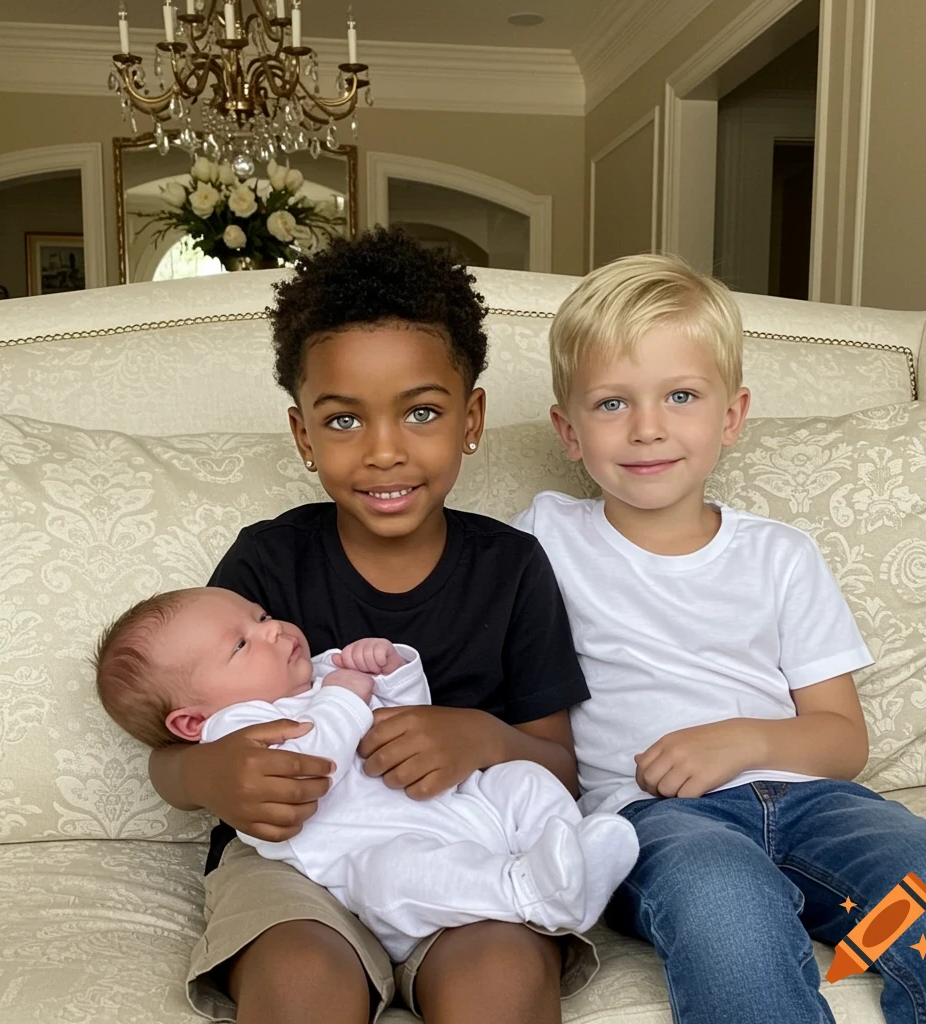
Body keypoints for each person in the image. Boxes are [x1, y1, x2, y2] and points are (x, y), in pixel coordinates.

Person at [146, 227, 602, 1024]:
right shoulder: (267, 563)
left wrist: (480, 737)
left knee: (501, 976)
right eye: (344, 421)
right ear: (304, 435)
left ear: (471, 418)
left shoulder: (512, 568)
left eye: (421, 412)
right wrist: (209, 776)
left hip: (465, 850)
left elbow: (559, 767)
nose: (384, 451)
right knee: (298, 979)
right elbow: (169, 755)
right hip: (296, 866)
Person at [513, 253, 926, 1024]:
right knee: (730, 907)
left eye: (681, 396)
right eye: (612, 403)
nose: (648, 427)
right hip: (655, 820)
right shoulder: (545, 538)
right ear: (569, 430)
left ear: (731, 416)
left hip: (817, 810)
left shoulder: (780, 555)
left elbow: (843, 740)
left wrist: (741, 740)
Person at [96, 588, 639, 963]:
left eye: (260, 617)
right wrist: (343, 696)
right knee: (393, 874)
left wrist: (392, 674)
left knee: (523, 779)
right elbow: (315, 765)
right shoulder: (235, 729)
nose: (273, 631)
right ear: (192, 721)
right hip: (375, 857)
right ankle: (529, 890)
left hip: (457, 807)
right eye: (241, 644)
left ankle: (568, 852)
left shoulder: (319, 677)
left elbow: (411, 727)